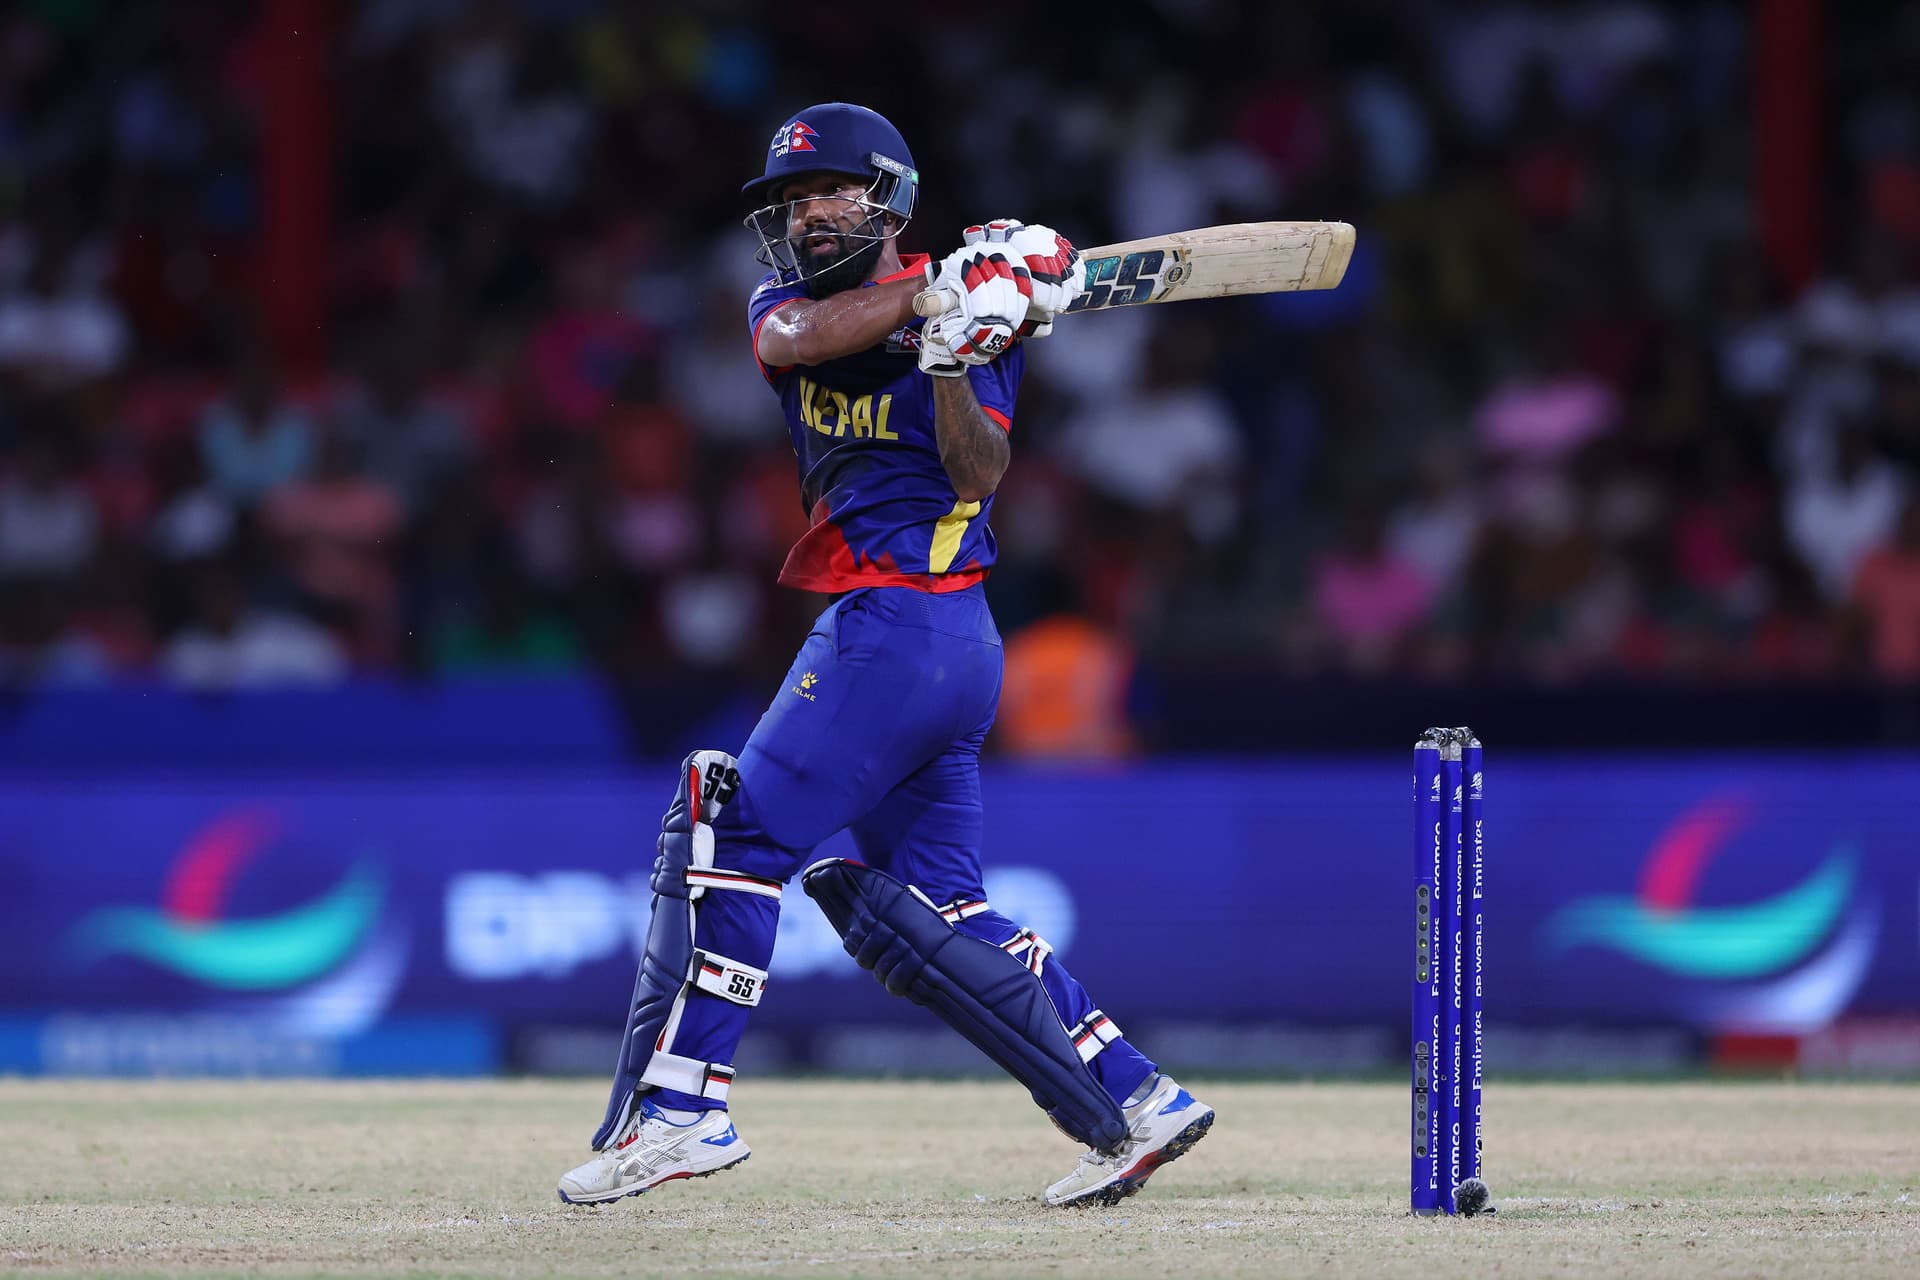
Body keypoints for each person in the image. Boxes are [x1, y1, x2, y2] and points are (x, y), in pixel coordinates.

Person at [557, 103, 1213, 1209]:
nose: (809, 216)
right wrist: (949, 291)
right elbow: (800, 344)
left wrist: (959, 350)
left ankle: (681, 1111)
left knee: (730, 829)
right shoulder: (794, 305)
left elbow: (979, 470)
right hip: (932, 645)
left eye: (831, 193)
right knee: (940, 908)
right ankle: (1135, 1096)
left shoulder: (972, 316)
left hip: (906, 624)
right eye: (792, 202)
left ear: (889, 198)